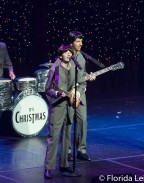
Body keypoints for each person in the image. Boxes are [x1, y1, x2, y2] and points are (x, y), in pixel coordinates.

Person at [44, 45, 86, 179]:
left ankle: (64, 164)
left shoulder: (74, 66)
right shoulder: (55, 69)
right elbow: (48, 89)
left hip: (70, 106)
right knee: (54, 137)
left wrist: (77, 92)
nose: (69, 54)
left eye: (70, 52)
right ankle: (48, 168)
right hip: (58, 107)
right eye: (66, 52)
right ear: (60, 54)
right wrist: (57, 93)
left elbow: (81, 82)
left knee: (67, 136)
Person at [67, 31, 96, 161]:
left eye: (81, 41)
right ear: (71, 43)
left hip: (80, 95)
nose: (80, 44)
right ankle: (67, 151)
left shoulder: (82, 58)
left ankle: (81, 150)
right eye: (78, 41)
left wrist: (88, 79)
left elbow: (82, 77)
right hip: (68, 95)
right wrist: (70, 91)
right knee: (68, 123)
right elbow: (60, 78)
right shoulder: (65, 56)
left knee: (83, 121)